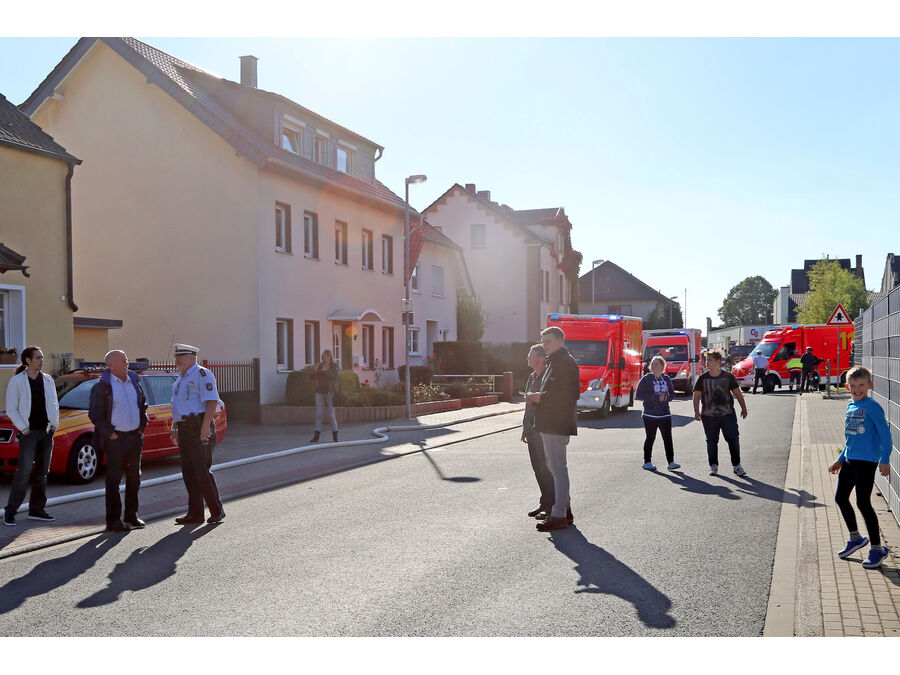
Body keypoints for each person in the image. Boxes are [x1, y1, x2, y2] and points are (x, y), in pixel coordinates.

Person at [828, 366, 893, 569]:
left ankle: (877, 549)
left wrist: (885, 459)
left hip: (866, 462)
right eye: (853, 385)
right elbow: (851, 439)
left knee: (863, 503)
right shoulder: (851, 405)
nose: (857, 389)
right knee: (840, 498)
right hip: (849, 460)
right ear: (847, 386)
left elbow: (885, 435)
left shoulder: (872, 406)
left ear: (870, 385)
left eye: (861, 385)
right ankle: (855, 538)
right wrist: (840, 459)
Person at [88, 350, 149, 532]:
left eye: (126, 359)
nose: (126, 363)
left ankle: (131, 515)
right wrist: (111, 435)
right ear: (110, 365)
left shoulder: (134, 382)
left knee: (134, 477)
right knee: (114, 479)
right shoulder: (102, 387)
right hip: (116, 439)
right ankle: (113, 520)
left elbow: (142, 405)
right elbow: (95, 415)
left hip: (134, 437)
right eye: (122, 360)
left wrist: (141, 427)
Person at [527, 326, 580, 532]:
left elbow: (568, 394)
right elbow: (556, 391)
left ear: (560, 341)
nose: (544, 345)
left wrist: (540, 397)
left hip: (556, 423)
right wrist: (539, 396)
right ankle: (564, 510)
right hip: (551, 422)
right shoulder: (555, 361)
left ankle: (559, 514)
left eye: (548, 341)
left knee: (558, 469)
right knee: (556, 468)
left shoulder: (565, 363)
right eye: (543, 341)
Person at [170, 343, 225, 525]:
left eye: (180, 357)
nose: (177, 361)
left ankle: (217, 510)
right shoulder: (180, 379)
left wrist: (205, 426)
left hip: (199, 425)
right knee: (188, 472)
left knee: (201, 470)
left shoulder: (203, 374)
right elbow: (178, 406)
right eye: (176, 357)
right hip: (185, 428)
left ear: (192, 358)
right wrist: (175, 427)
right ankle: (195, 514)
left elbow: (211, 401)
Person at [3, 346, 58, 527]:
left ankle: (37, 510)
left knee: (42, 473)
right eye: (38, 357)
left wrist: (54, 425)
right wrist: (24, 429)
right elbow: (11, 409)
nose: (42, 360)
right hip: (29, 433)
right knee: (24, 472)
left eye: (42, 357)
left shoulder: (48, 379)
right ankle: (10, 511)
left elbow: (54, 403)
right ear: (28, 360)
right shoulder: (17, 381)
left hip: (46, 432)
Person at [693, 349, 749, 477]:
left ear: (718, 362)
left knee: (733, 439)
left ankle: (737, 465)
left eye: (710, 360)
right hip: (709, 416)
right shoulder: (702, 378)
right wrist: (696, 412)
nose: (707, 362)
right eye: (706, 360)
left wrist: (744, 408)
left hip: (727, 415)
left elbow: (737, 393)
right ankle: (713, 466)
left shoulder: (728, 377)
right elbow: (696, 396)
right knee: (711, 441)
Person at [521, 344, 554, 519]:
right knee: (537, 469)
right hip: (531, 429)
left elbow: (548, 401)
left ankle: (552, 508)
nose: (527, 357)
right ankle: (545, 503)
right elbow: (528, 405)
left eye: (531, 355)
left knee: (545, 469)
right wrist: (525, 428)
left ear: (541, 359)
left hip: (542, 429)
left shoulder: (547, 377)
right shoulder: (531, 376)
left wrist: (535, 399)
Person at [635, 355, 680, 471]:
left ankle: (671, 462)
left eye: (656, 364)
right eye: (652, 364)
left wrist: (666, 398)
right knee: (650, 438)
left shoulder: (666, 379)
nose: (653, 366)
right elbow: (638, 395)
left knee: (668, 438)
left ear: (662, 366)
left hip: (665, 414)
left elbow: (672, 394)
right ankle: (647, 462)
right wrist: (655, 398)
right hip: (650, 415)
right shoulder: (646, 379)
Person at [310, 349, 339, 443]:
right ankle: (316, 436)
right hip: (319, 392)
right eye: (324, 356)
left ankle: (335, 436)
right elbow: (312, 378)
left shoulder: (335, 366)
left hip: (330, 393)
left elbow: (335, 376)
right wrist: (315, 371)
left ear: (330, 356)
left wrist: (326, 371)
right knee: (318, 414)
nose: (325, 357)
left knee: (331, 415)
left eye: (327, 355)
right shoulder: (320, 366)